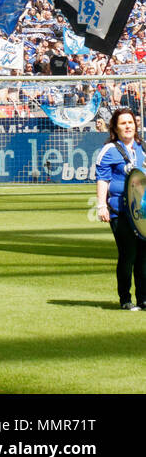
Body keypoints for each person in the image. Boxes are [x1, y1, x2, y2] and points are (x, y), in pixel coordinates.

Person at [95, 108, 146, 309]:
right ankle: (125, 298)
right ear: (115, 128)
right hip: (119, 211)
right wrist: (101, 205)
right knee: (128, 253)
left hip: (141, 212)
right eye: (123, 123)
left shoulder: (142, 147)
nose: (128, 126)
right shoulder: (109, 150)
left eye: (130, 122)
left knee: (143, 255)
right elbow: (102, 179)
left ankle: (143, 298)